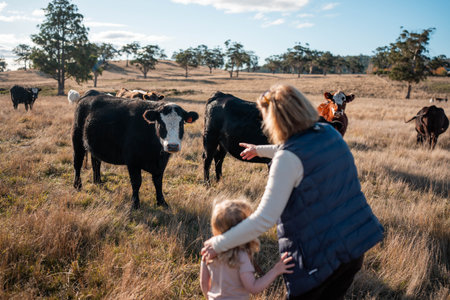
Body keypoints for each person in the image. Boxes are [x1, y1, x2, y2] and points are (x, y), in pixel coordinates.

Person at [201, 84, 384, 299]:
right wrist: (259, 149)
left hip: (320, 255)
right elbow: (301, 147)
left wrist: (219, 243)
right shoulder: (328, 132)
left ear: (277, 120)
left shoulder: (287, 159)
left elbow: (263, 219)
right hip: (355, 243)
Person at [200, 198, 295, 299]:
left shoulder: (208, 253)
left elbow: (204, 282)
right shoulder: (240, 256)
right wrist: (276, 270)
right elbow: (253, 287)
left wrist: (209, 297)